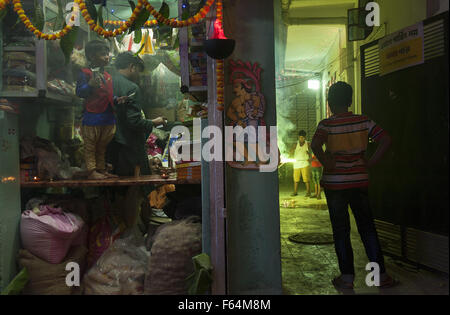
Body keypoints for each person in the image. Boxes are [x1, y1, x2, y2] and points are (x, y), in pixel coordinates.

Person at [311, 81, 397, 290]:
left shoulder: (326, 124)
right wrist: (371, 162)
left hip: (335, 184)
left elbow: (315, 145)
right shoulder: (363, 121)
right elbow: (385, 139)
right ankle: (380, 277)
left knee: (341, 231)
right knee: (367, 228)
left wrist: (326, 161)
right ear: (349, 101)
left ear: (329, 103)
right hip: (359, 181)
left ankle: (347, 278)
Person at [106, 52, 167, 177]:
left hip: (109, 145)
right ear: (132, 67)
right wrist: (154, 122)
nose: (138, 75)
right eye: (138, 71)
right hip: (128, 147)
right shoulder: (131, 88)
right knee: (135, 188)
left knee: (114, 188)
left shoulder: (106, 82)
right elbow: (134, 121)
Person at [76, 40, 118, 180]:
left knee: (102, 146)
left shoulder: (107, 76)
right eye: (103, 54)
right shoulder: (85, 73)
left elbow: (109, 94)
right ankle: (91, 171)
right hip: (93, 115)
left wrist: (118, 99)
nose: (107, 57)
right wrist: (89, 85)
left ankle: (101, 169)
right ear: (92, 56)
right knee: (90, 146)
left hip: (108, 116)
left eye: (107, 54)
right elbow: (79, 92)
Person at [291, 130, 311, 197]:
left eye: (303, 137)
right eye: (300, 137)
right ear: (298, 137)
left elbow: (312, 152)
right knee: (296, 179)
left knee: (306, 179)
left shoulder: (308, 144)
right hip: (296, 163)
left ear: (305, 137)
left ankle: (308, 192)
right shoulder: (295, 144)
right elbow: (290, 151)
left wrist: (310, 155)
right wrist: (291, 151)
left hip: (305, 163)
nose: (301, 139)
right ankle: (295, 192)